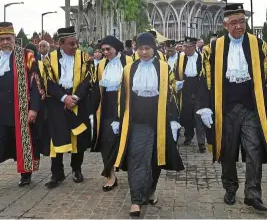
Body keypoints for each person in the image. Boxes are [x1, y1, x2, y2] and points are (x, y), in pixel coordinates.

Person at [198, 3, 267, 211]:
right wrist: (204, 107)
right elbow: (204, 80)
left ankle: (253, 194)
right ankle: (230, 187)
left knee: (254, 149)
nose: (239, 26)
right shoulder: (212, 49)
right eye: (234, 22)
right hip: (225, 108)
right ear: (225, 25)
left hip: (251, 108)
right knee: (228, 151)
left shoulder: (258, 45)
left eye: (242, 21)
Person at [114, 32, 184, 216]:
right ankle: (136, 200)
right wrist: (118, 118)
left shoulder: (163, 67)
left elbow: (172, 95)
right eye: (140, 49)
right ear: (136, 49)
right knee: (137, 158)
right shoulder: (129, 69)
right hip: (137, 121)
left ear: (154, 49)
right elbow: (123, 95)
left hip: (159, 121)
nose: (143, 52)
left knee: (156, 159)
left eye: (147, 48)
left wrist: (175, 119)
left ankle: (150, 190)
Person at [0, 22, 44, 198]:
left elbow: (36, 83)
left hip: (20, 111)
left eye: (8, 38)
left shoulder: (27, 56)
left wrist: (34, 108)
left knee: (20, 144)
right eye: (1, 39)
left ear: (14, 38)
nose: (5, 42)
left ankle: (25, 174)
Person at [42, 26, 93, 189]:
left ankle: (76, 170)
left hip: (78, 101)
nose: (75, 46)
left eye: (76, 43)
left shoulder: (84, 57)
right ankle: (57, 173)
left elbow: (88, 79)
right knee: (56, 138)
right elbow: (47, 82)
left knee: (78, 137)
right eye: (71, 44)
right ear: (60, 43)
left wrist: (76, 97)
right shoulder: (49, 59)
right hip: (57, 102)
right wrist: (64, 98)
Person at [90, 36, 132, 191]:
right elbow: (96, 89)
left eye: (108, 49)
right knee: (106, 143)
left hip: (125, 108)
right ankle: (110, 176)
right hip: (107, 109)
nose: (105, 52)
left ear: (116, 48)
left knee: (127, 142)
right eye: (103, 50)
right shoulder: (100, 65)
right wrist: (92, 112)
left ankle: (133, 175)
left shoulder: (129, 62)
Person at [174, 36, 207, 152]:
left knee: (199, 118)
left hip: (198, 92)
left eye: (187, 47)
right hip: (185, 92)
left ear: (194, 47)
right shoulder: (181, 59)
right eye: (184, 47)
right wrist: (176, 82)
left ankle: (201, 143)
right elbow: (175, 73)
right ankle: (189, 135)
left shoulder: (202, 59)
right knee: (186, 117)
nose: (184, 49)